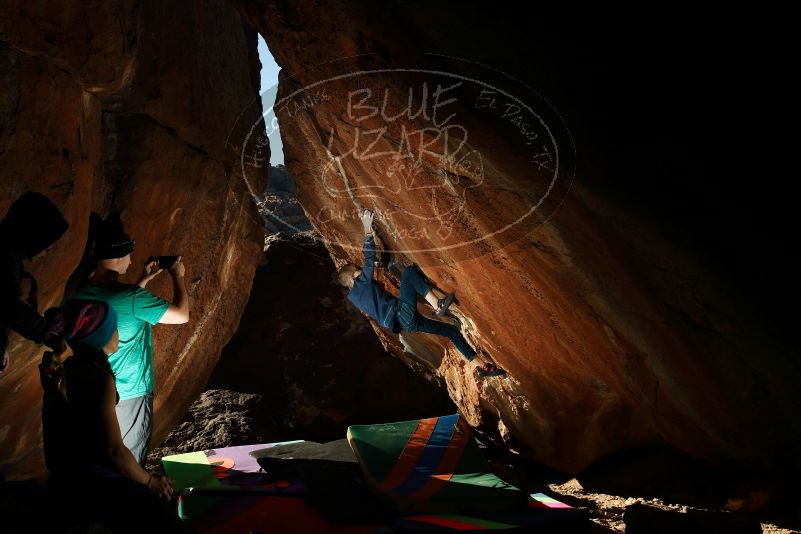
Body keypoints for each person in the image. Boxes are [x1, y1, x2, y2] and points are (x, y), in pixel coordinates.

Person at [40, 299, 186, 532]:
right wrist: (150, 481)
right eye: (114, 327)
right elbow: (114, 452)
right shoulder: (97, 378)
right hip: (93, 486)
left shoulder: (62, 369)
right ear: (101, 335)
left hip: (65, 481)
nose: (117, 332)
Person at [72, 213, 189, 464]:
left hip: (94, 389)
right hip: (130, 393)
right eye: (128, 255)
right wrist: (177, 276)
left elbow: (123, 312)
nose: (131, 260)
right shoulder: (133, 297)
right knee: (128, 459)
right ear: (118, 257)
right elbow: (181, 315)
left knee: (100, 456)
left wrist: (143, 281)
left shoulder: (81, 293)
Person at [339, 209, 505, 377]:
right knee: (409, 274)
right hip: (401, 314)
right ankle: (437, 305)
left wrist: (376, 265)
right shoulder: (361, 284)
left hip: (405, 325)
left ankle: (482, 367)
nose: (360, 270)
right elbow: (368, 258)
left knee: (451, 331)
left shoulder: (356, 296)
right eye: (357, 270)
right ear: (352, 278)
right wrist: (367, 225)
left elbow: (375, 282)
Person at [1, 192, 69, 373]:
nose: (48, 250)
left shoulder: (8, 251)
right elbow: (10, 309)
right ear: (33, 233)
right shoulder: (7, 259)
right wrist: (49, 335)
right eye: (47, 243)